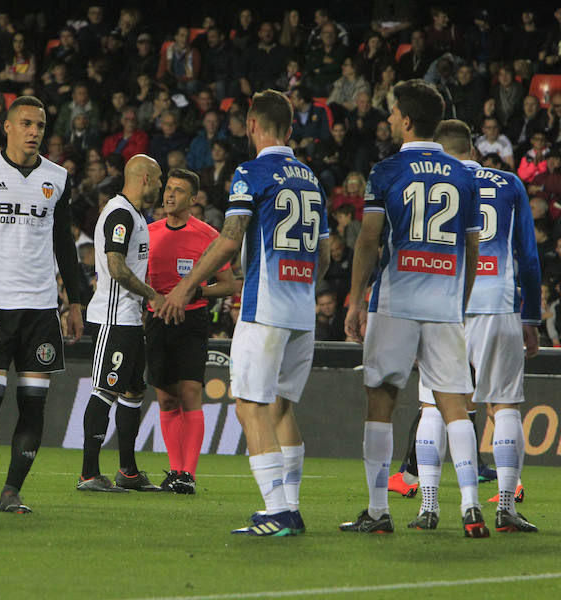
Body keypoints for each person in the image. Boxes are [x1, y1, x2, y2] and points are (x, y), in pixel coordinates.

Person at [160, 90, 330, 537]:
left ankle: (277, 510)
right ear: (290, 130)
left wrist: (186, 285)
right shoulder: (311, 178)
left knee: (250, 406)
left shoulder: (251, 172)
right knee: (279, 409)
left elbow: (230, 237)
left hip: (266, 307)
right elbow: (325, 254)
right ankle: (289, 509)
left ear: (253, 126)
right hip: (303, 309)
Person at [340, 80, 488, 537]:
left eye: (391, 112)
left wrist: (354, 299)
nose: (387, 119)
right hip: (444, 303)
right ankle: (470, 507)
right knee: (453, 405)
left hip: (397, 300)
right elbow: (472, 248)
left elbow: (367, 239)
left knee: (381, 400)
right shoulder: (465, 174)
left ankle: (378, 511)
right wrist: (458, 305)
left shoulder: (386, 170)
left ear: (406, 119)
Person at [401, 120, 541, 533]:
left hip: (444, 304)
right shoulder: (509, 183)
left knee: (433, 405)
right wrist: (530, 317)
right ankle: (505, 509)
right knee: (504, 405)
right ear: (474, 151)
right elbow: (529, 259)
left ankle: (429, 507)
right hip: (498, 305)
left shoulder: (430, 185)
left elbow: (414, 251)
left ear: (441, 152)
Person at [0, 96, 83, 514]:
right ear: (6, 127)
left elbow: (64, 242)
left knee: (33, 401)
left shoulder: (57, 177)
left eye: (40, 126)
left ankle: (11, 490)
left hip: (42, 308)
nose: (34, 132)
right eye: (26, 123)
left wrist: (75, 300)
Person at [77, 154, 164, 493]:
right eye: (158, 180)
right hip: (113, 317)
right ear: (144, 178)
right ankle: (88, 473)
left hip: (129, 318)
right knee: (105, 389)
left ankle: (127, 471)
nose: (159, 186)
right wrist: (151, 295)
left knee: (134, 389)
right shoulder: (120, 214)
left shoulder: (135, 215)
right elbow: (115, 267)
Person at [145, 168, 235, 493]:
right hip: (156, 321)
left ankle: (188, 474)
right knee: (166, 399)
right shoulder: (149, 232)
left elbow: (228, 285)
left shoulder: (208, 235)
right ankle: (174, 470)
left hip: (192, 320)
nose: (169, 195)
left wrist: (195, 292)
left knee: (191, 394)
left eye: (179, 191)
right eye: (168, 189)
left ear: (193, 199)